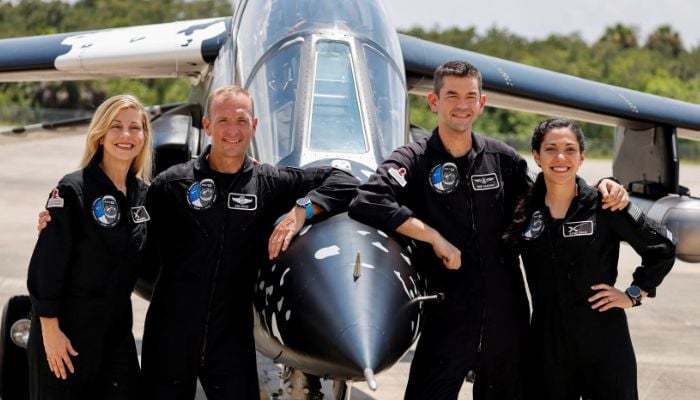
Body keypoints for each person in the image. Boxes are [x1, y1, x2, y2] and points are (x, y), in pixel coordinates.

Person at [347, 60, 629, 399]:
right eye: (452, 95)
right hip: (448, 312)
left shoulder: (502, 159)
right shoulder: (415, 159)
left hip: (506, 315)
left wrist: (604, 185)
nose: (462, 105)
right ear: (434, 102)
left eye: (470, 96)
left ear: (481, 103)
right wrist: (434, 237)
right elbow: (369, 200)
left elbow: (550, 196)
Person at [139, 85, 358, 400]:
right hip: (170, 335)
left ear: (254, 126)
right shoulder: (172, 184)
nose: (233, 129)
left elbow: (344, 181)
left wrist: (301, 210)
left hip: (230, 340)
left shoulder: (268, 183)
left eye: (241, 120)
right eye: (223, 120)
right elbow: (129, 235)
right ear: (208, 126)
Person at [503, 118, 675, 399]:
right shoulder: (524, 212)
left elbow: (662, 247)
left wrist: (633, 294)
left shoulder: (605, 204)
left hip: (603, 341)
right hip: (548, 344)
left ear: (582, 157)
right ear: (536, 155)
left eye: (570, 149)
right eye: (551, 149)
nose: (561, 157)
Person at [26, 94, 152, 399]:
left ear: (144, 136)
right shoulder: (73, 189)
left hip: (116, 332)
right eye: (116, 127)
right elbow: (47, 267)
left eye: (135, 127)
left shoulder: (144, 195)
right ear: (99, 135)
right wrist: (50, 331)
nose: (126, 135)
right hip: (67, 331)